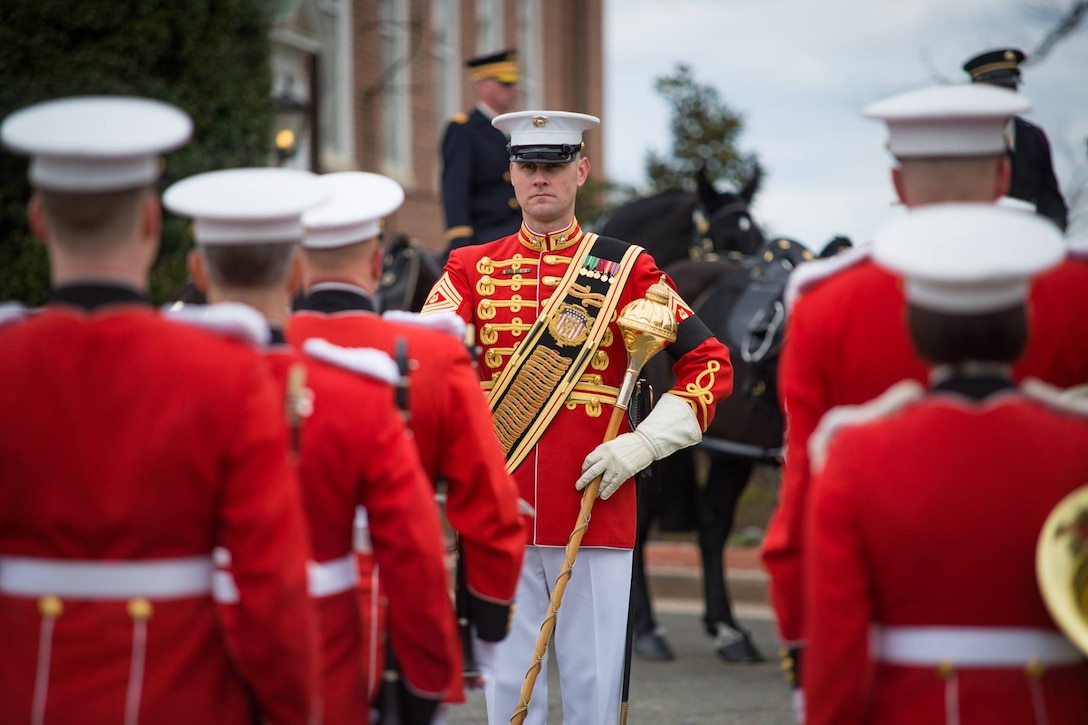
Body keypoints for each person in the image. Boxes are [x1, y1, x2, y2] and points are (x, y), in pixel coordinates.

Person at [761, 83, 1088, 721]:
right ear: (1002, 176)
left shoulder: (828, 299)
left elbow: (801, 490)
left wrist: (807, 649)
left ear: (898, 182)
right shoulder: (1075, 286)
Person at [0, 97, 319, 723]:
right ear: (151, 220)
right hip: (181, 696)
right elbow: (271, 584)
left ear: (38, 219)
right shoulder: (225, 374)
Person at [420, 110, 734, 725]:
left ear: (581, 172)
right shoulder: (468, 268)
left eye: (555, 166)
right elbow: (427, 370)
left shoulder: (628, 268)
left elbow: (710, 364)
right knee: (509, 691)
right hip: (497, 510)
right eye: (529, 166)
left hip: (596, 505)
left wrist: (642, 446)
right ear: (510, 175)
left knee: (592, 691)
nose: (541, 178)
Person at [163, 166, 460, 725]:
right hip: (326, 658)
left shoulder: (155, 386)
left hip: (176, 665)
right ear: (299, 270)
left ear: (197, 270)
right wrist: (427, 681)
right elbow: (415, 549)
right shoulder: (356, 392)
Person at [287, 171, 526, 718]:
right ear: (377, 265)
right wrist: (487, 619)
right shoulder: (435, 356)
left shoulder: (256, 356)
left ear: (297, 267)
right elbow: (489, 506)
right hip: (384, 625)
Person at [963, 47, 1069, 231]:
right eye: (999, 88)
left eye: (1011, 86)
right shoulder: (959, 134)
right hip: (975, 237)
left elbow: (1050, 198)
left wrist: (1054, 226)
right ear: (977, 89)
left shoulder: (1033, 136)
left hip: (1028, 239)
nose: (1008, 93)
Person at [440, 49, 523, 252]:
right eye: (505, 83)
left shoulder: (515, 131)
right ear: (483, 85)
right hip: (484, 237)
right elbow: (455, 189)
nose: (512, 90)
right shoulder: (463, 129)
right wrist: (461, 243)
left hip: (519, 234)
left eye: (513, 83)